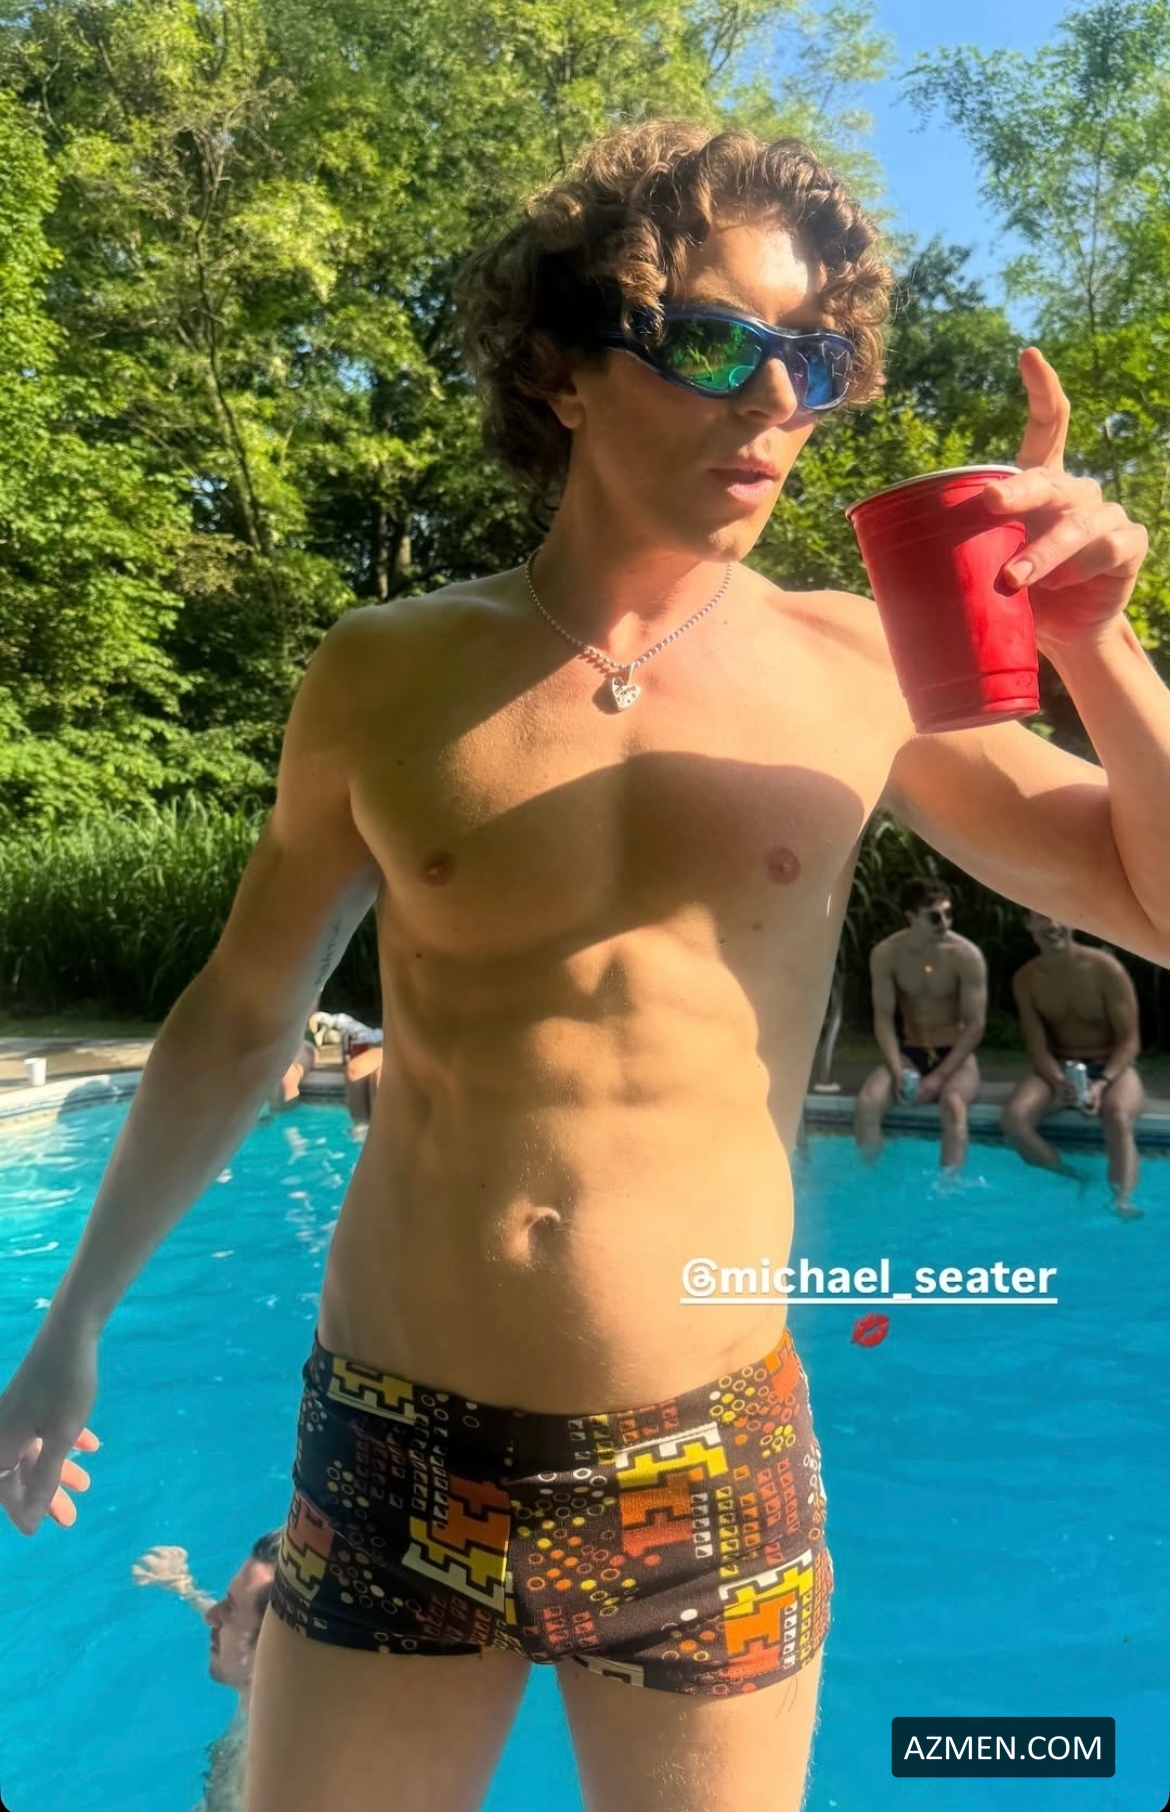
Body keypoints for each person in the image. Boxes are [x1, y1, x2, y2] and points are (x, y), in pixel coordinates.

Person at [3, 119, 1170, 1812]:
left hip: (705, 1454)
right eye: (712, 344)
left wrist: (1095, 644)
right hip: (398, 1435)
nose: (772, 403)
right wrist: (75, 1317)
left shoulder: (856, 669)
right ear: (558, 368)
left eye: (813, 360)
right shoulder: (389, 672)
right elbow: (244, 1014)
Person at [1001, 910, 1144, 1212]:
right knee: (1014, 1120)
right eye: (1042, 917)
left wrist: (1101, 1083)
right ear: (1028, 923)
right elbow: (1037, 1046)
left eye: (1059, 915)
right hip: (1060, 1067)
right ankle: (1072, 1177)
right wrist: (1057, 1081)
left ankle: (1122, 1201)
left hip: (1112, 1067)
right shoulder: (1026, 979)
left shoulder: (1105, 969)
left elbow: (1129, 1042)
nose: (1052, 925)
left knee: (1118, 1116)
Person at [132, 1531, 281, 1810]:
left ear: (269, 1647)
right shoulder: (265, 1686)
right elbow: (241, 1631)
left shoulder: (261, 1776)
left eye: (230, 1609)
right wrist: (183, 1586)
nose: (212, 1616)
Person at [852, 878, 988, 1168]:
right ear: (911, 917)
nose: (944, 924)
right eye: (934, 917)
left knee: (953, 1106)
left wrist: (939, 1077)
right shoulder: (887, 954)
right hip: (910, 1052)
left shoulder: (966, 956)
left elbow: (975, 1025)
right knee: (867, 1103)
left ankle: (948, 1187)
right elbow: (883, 1019)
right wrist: (897, 1069)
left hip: (955, 1056)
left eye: (948, 914)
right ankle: (870, 1178)